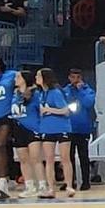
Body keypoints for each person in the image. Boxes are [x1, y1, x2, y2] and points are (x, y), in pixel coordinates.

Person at [34, 68, 73, 199]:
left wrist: (48, 109)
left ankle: (69, 186)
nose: (36, 78)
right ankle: (51, 188)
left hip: (62, 127)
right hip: (47, 128)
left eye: (38, 76)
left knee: (65, 158)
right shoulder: (40, 94)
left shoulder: (55, 92)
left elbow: (65, 111)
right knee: (49, 159)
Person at [0, 57, 16, 199]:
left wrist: (27, 91)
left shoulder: (11, 75)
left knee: (1, 145)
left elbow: (29, 82)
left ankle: (3, 183)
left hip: (5, 116)